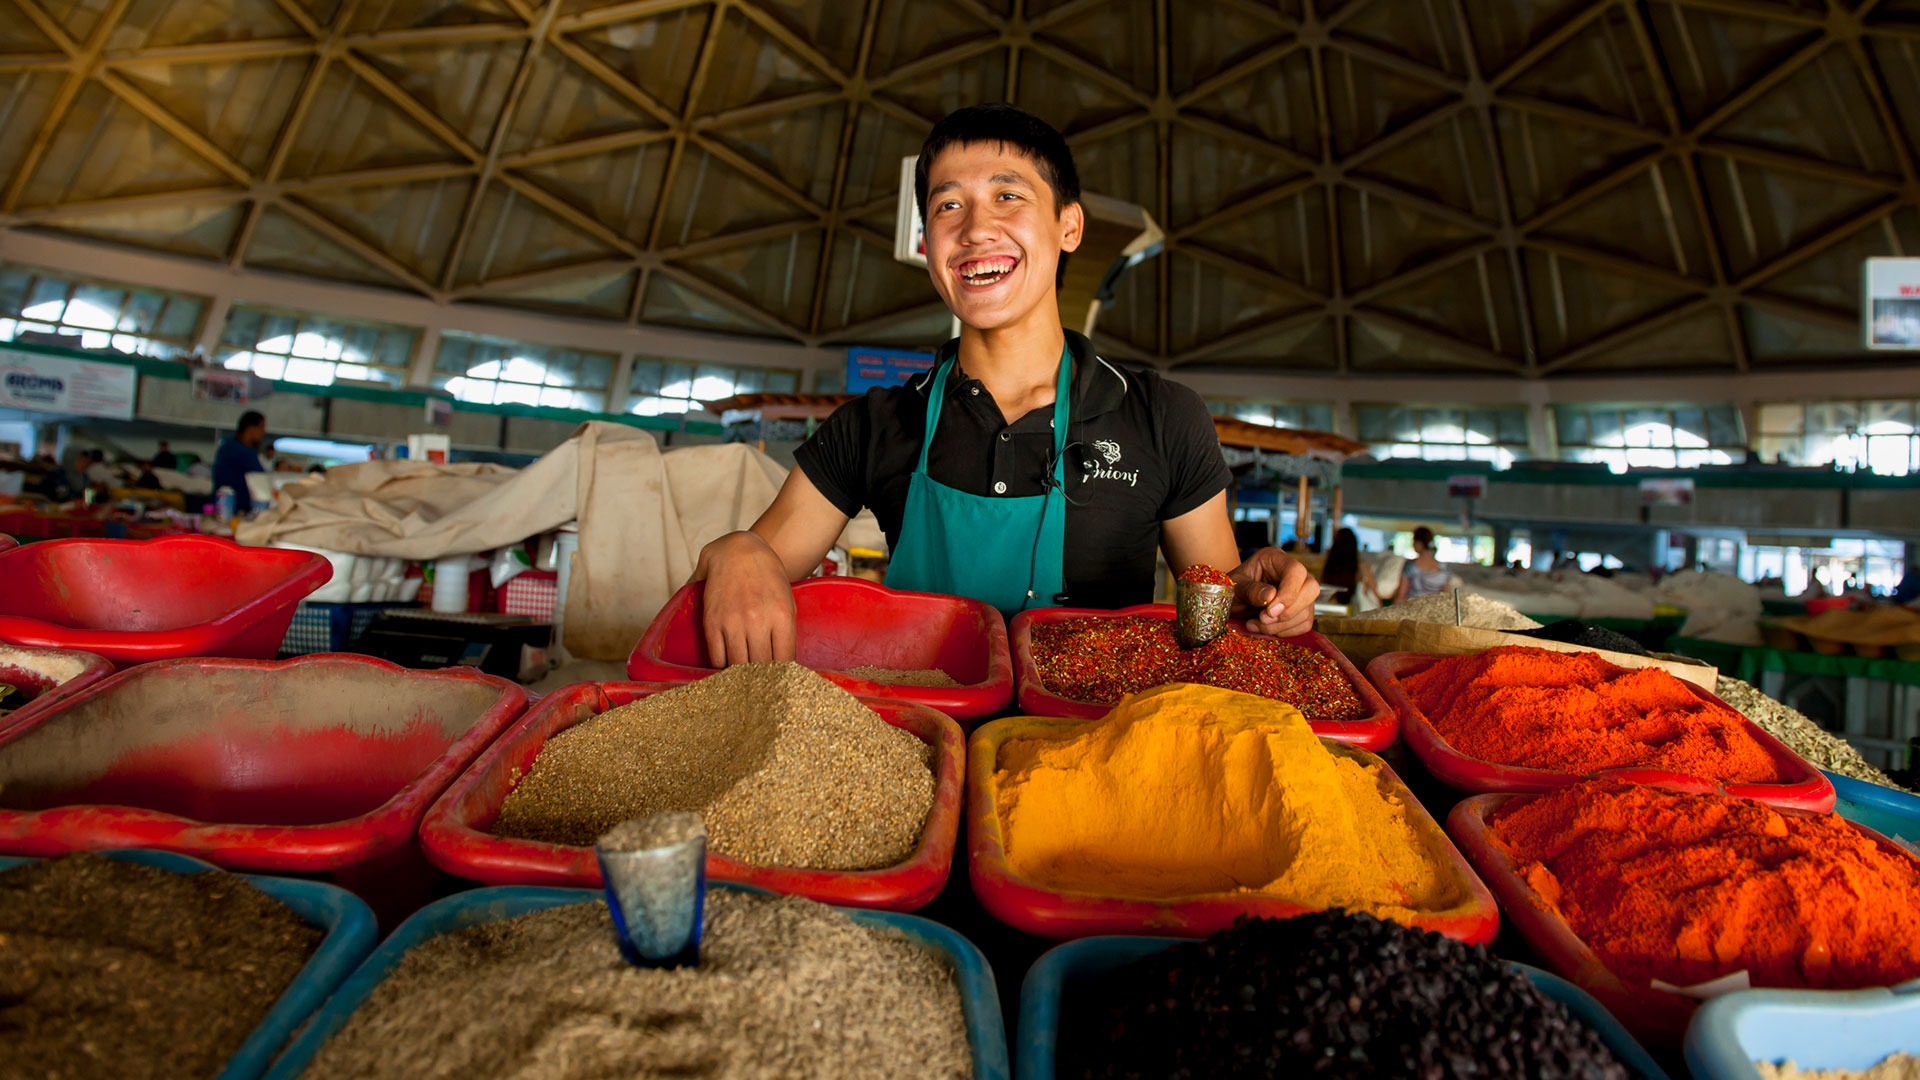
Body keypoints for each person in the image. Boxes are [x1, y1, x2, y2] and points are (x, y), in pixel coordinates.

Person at [693, 103, 1319, 664]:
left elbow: (1217, 612)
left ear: (1069, 226)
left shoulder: (1160, 415)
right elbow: (756, 563)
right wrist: (734, 552)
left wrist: (1265, 598)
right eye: (947, 205)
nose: (974, 228)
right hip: (922, 751)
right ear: (927, 241)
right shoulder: (874, 425)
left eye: (1008, 196)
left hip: (1093, 759)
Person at [212, 410, 268, 514]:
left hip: (221, 506)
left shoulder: (226, 447)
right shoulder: (245, 452)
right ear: (250, 428)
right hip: (239, 510)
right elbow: (261, 482)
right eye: (262, 427)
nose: (264, 432)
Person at [1319, 528, 1378, 607]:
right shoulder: (1361, 565)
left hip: (1329, 607)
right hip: (1353, 610)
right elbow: (1373, 588)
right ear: (1354, 544)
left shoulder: (1328, 564)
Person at [1394, 526, 1452, 602]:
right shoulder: (1443, 568)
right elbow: (1447, 596)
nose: (1413, 544)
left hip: (1413, 608)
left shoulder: (1411, 566)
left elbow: (1401, 594)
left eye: (1413, 541)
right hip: (1435, 609)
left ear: (1419, 543)